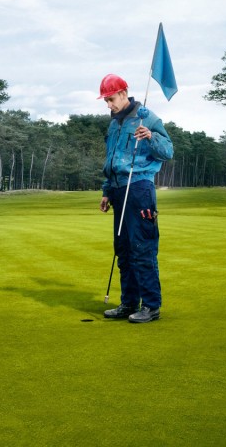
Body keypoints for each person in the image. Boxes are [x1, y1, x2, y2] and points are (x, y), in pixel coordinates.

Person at [98, 74, 173, 323]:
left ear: (123, 93)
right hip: (118, 191)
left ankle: (151, 306)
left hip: (139, 188)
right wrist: (107, 191)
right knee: (124, 250)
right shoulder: (114, 124)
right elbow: (110, 160)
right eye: (106, 101)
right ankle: (129, 303)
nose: (108, 105)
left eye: (110, 99)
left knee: (142, 247)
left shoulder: (147, 117)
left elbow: (168, 151)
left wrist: (150, 136)